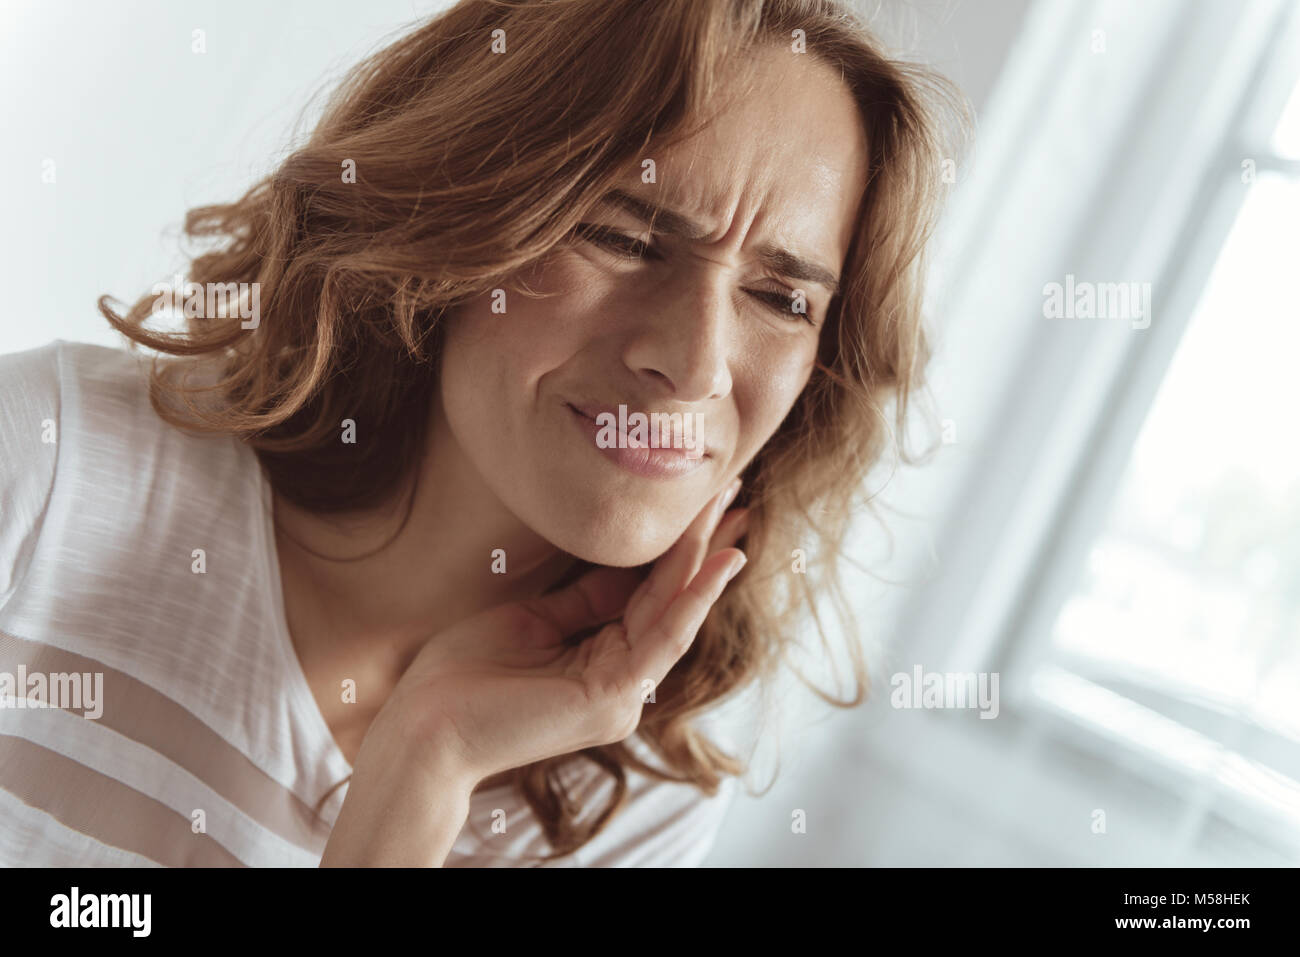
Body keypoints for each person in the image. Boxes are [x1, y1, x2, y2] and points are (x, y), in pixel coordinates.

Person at [0, 0, 970, 866]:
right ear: (455, 218)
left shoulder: (633, 810)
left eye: (779, 298)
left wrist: (429, 761)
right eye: (626, 237)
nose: (696, 364)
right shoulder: (46, 467)